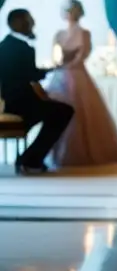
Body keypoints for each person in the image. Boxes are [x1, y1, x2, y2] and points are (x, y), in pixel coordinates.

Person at [45, 0, 117, 168]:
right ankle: (58, 152)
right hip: (61, 76)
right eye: (66, 11)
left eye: (71, 11)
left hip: (78, 75)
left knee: (83, 113)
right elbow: (55, 57)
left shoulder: (84, 33)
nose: (68, 14)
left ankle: (82, 152)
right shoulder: (59, 34)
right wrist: (60, 67)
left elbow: (83, 55)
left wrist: (67, 66)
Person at [0, 9, 74, 174]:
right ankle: (30, 159)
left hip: (11, 102)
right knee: (64, 111)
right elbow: (31, 75)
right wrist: (51, 69)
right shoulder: (23, 48)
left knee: (56, 110)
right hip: (21, 104)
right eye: (30, 20)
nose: (33, 23)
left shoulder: (3, 46)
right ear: (19, 23)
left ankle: (30, 158)